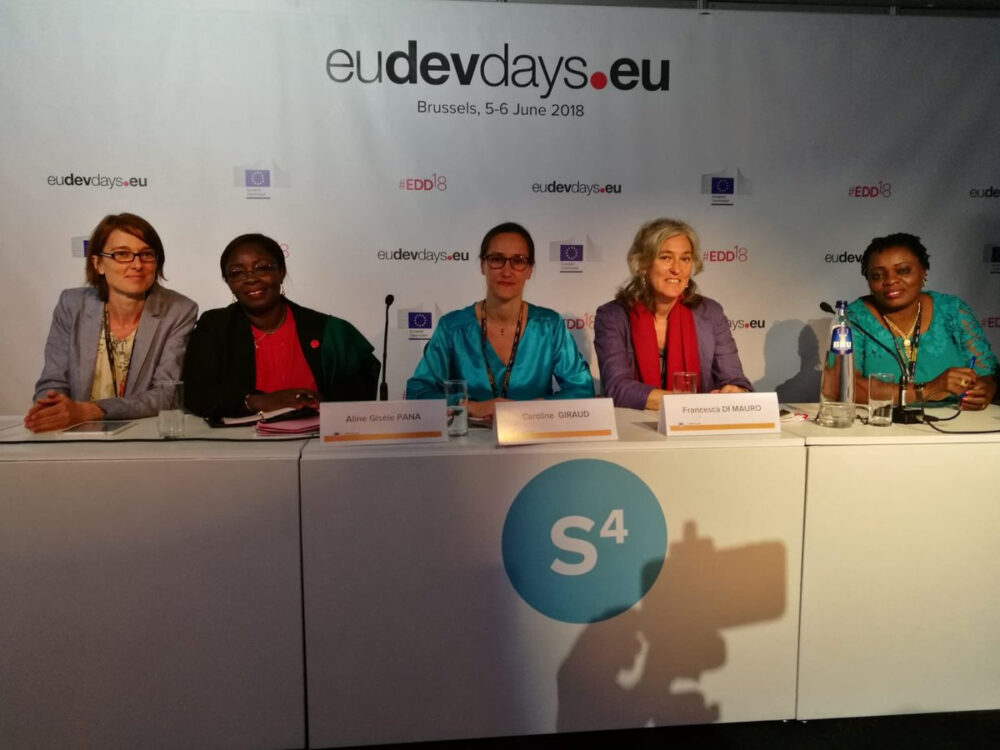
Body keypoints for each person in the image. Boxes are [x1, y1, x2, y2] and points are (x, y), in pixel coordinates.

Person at [25, 213, 198, 432]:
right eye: (122, 254)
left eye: (146, 254)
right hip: (77, 436)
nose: (137, 264)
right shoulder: (72, 305)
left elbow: (167, 395)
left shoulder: (179, 310)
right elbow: (53, 381)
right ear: (98, 264)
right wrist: (52, 408)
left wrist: (89, 411)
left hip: (145, 435)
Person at [405, 222, 594, 418]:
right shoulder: (452, 328)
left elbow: (582, 390)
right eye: (497, 259)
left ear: (529, 269)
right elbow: (417, 393)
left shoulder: (549, 326)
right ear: (482, 265)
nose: (507, 271)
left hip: (533, 435)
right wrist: (471, 407)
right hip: (467, 436)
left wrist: (531, 409)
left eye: (518, 261)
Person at [182, 233, 379, 418]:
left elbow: (358, 398)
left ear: (281, 272)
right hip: (242, 440)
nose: (250, 278)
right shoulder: (215, 328)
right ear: (228, 282)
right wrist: (260, 401)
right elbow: (195, 395)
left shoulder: (329, 330)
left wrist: (322, 404)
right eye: (236, 273)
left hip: (316, 438)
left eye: (262, 268)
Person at [594, 218, 750, 411]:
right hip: (634, 425)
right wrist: (689, 403)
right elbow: (617, 389)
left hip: (697, 423)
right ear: (643, 264)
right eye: (666, 258)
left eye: (685, 259)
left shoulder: (711, 313)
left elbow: (735, 380)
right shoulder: (613, 316)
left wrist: (736, 392)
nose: (677, 269)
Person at [849, 232, 997, 410]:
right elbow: (844, 387)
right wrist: (928, 390)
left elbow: (988, 375)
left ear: (923, 271)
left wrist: (985, 389)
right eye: (877, 275)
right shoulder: (855, 318)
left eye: (902, 270)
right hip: (882, 422)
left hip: (955, 420)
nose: (890, 281)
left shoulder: (953, 310)